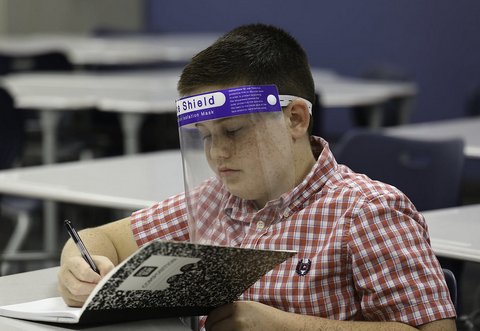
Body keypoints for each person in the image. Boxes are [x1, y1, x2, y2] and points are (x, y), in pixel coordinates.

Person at [58, 24, 456, 331]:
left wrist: (284, 325)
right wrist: (79, 263)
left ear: (295, 119)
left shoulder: (367, 211)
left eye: (233, 132)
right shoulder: (219, 200)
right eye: (206, 138)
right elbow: (103, 237)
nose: (217, 154)